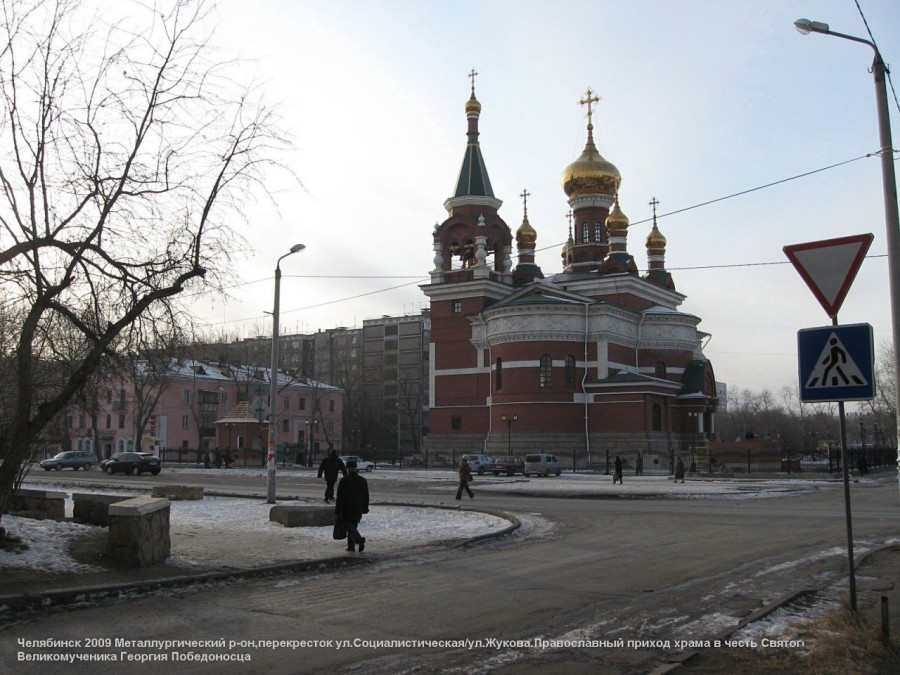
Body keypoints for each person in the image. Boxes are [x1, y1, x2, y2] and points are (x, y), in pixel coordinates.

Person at [335, 460, 369, 552]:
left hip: (347, 508)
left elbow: (340, 497)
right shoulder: (362, 480)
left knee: (348, 526)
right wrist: (365, 508)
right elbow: (366, 496)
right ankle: (351, 547)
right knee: (353, 526)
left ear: (348, 468)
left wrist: (338, 510)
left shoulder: (344, 480)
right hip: (358, 508)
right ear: (355, 468)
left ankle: (359, 540)